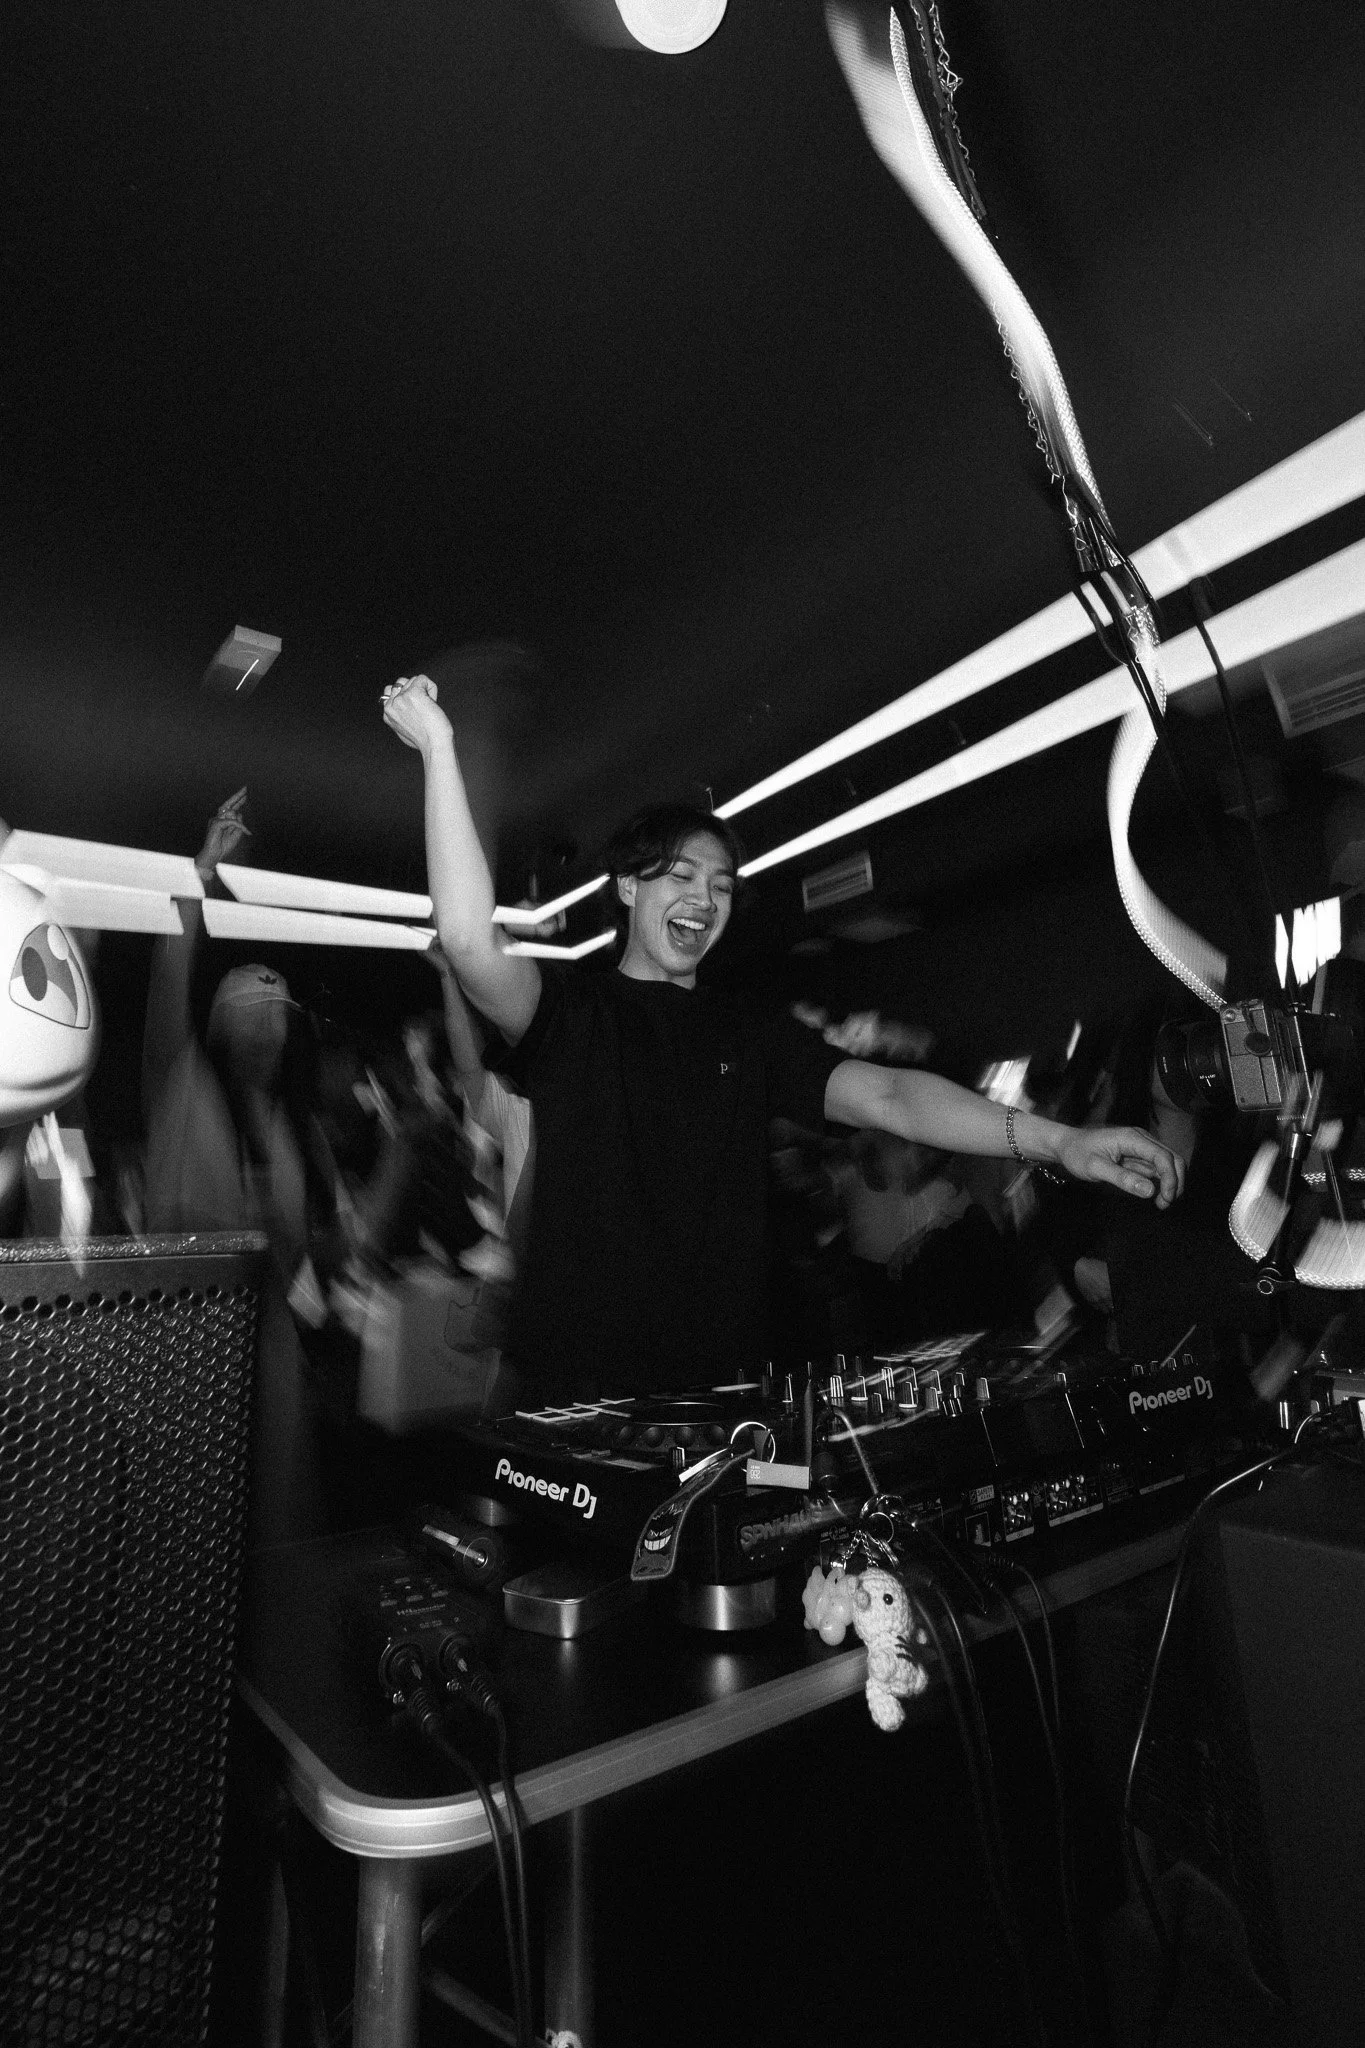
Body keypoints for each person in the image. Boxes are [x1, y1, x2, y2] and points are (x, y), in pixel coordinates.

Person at [382, 673, 1185, 1401]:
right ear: (627, 886)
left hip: (719, 1388)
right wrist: (441, 750)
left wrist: (1059, 1142)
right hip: (573, 1384)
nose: (704, 897)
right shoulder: (570, 1013)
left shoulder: (746, 1030)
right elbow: (466, 938)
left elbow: (890, 1096)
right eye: (681, 876)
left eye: (721, 885)